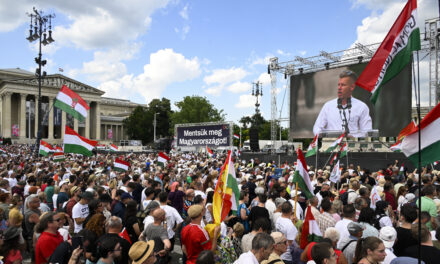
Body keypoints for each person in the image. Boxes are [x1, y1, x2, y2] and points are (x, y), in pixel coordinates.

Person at [313, 70, 372, 137]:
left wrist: (353, 137)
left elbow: (367, 131)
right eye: (339, 85)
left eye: (343, 85)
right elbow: (317, 127)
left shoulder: (362, 107)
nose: (339, 88)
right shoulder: (328, 106)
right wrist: (321, 135)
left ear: (352, 87)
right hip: (331, 145)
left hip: (350, 145)